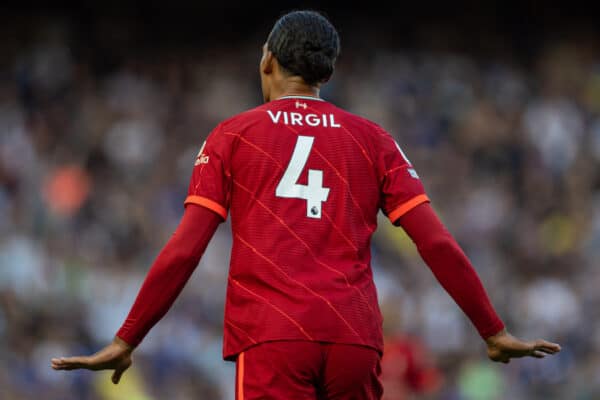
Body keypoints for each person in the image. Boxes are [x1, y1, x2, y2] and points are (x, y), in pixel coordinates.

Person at [51, 10, 561, 399]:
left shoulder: (234, 136)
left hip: (274, 336)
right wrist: (491, 330)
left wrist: (128, 336)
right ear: (327, 73)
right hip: (354, 340)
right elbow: (434, 240)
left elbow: (186, 248)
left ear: (267, 59)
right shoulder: (373, 140)